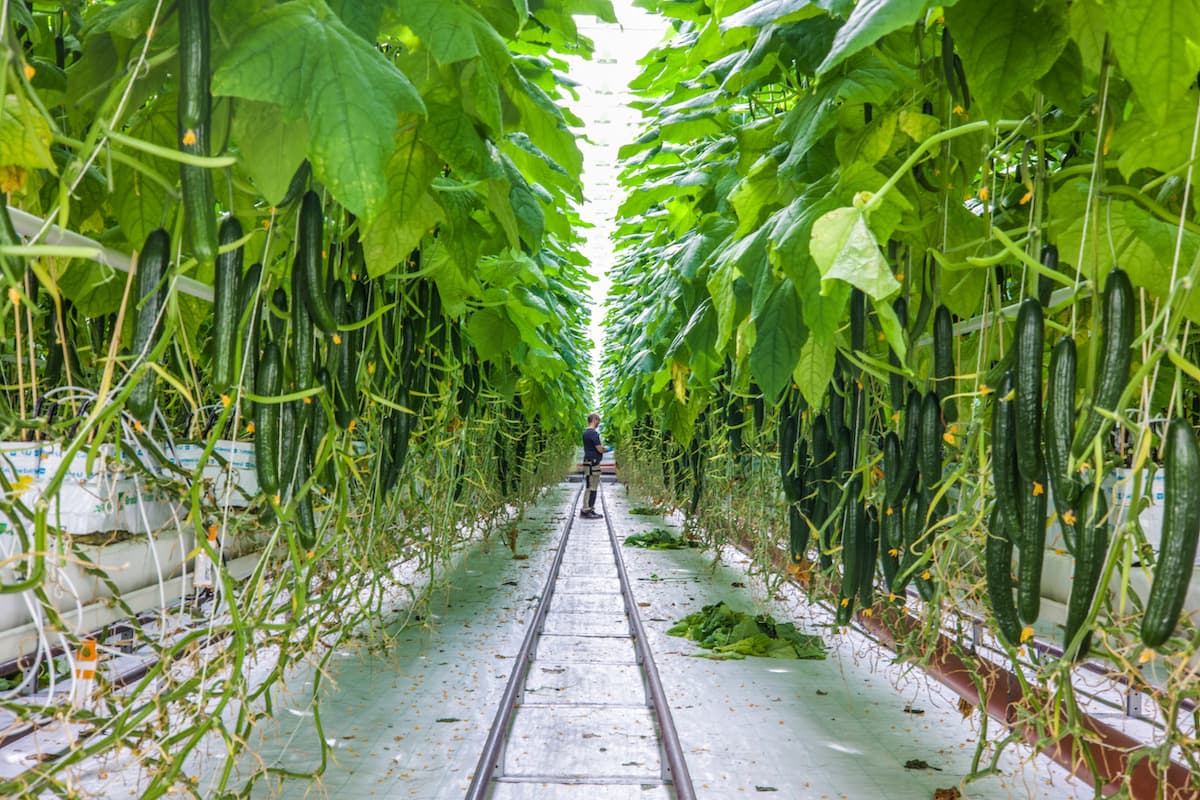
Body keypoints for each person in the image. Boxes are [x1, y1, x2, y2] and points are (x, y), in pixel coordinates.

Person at [581, 412, 607, 518]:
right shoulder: (593, 433)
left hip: (590, 462)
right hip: (592, 464)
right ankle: (586, 510)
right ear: (594, 419)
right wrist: (608, 449)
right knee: (591, 486)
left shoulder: (586, 433)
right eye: (598, 420)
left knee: (592, 486)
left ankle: (590, 509)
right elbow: (599, 448)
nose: (598, 423)